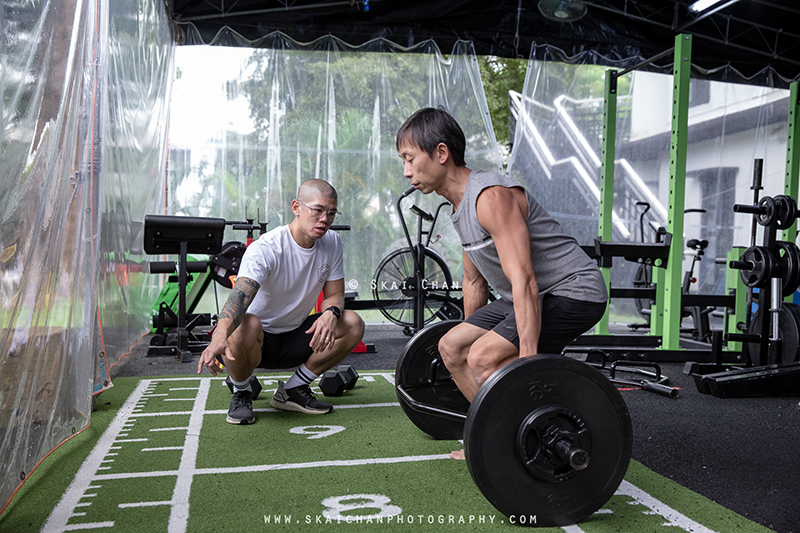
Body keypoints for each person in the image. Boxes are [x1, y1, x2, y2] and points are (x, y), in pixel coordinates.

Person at [396, 108, 608, 457]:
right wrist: (472, 334)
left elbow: (525, 280)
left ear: (441, 153)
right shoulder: (458, 206)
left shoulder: (490, 197)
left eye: (409, 159)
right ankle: (491, 434)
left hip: (573, 290)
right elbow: (473, 283)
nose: (406, 171)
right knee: (452, 348)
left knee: (483, 357)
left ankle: (530, 436)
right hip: (525, 297)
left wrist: (526, 364)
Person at [198, 179, 365, 425]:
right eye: (317, 210)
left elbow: (335, 295)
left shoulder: (332, 242)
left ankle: (292, 390)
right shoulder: (266, 248)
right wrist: (219, 336)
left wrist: (330, 311)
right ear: (296, 207)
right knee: (246, 324)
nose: (325, 219)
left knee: (352, 322)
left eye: (331, 213)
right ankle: (242, 391)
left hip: (295, 337)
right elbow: (240, 297)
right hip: (255, 343)